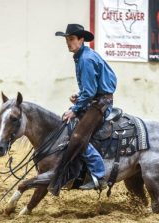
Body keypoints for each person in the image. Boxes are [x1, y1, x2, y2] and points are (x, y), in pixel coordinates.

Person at [50, 24, 117, 192]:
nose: (68, 42)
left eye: (71, 39)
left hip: (100, 104)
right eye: (67, 39)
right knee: (71, 127)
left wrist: (76, 107)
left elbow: (90, 91)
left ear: (81, 39)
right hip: (97, 100)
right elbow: (89, 89)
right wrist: (79, 96)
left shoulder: (86, 59)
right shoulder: (82, 56)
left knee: (78, 136)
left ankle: (99, 176)